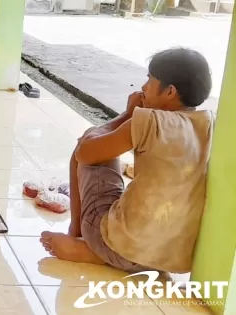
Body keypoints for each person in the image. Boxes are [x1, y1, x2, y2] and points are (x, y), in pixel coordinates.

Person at [40, 48, 214, 275]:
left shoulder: (149, 119)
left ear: (170, 91)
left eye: (150, 80)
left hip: (124, 246)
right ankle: (104, 253)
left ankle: (83, 237)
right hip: (168, 258)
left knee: (89, 139)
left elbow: (85, 153)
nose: (143, 87)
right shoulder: (208, 122)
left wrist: (127, 114)